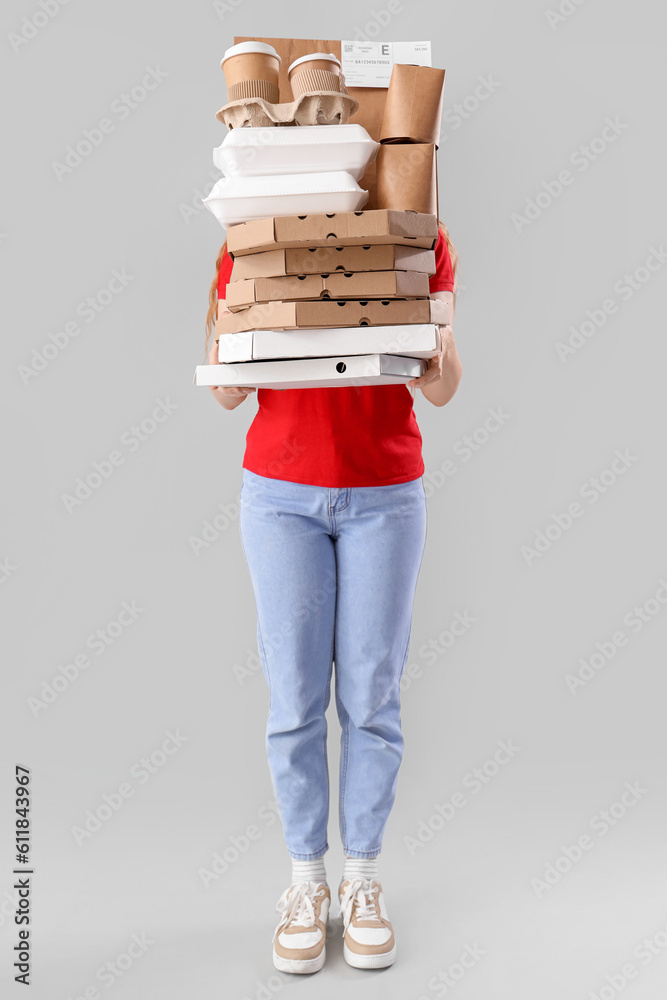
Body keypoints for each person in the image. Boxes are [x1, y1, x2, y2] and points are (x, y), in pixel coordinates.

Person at [204, 222, 462, 974]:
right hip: (280, 494)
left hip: (385, 494)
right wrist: (242, 318)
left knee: (372, 694)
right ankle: (305, 884)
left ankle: (362, 881)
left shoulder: (421, 238)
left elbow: (443, 389)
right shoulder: (249, 237)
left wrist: (427, 335)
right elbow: (225, 393)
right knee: (292, 697)